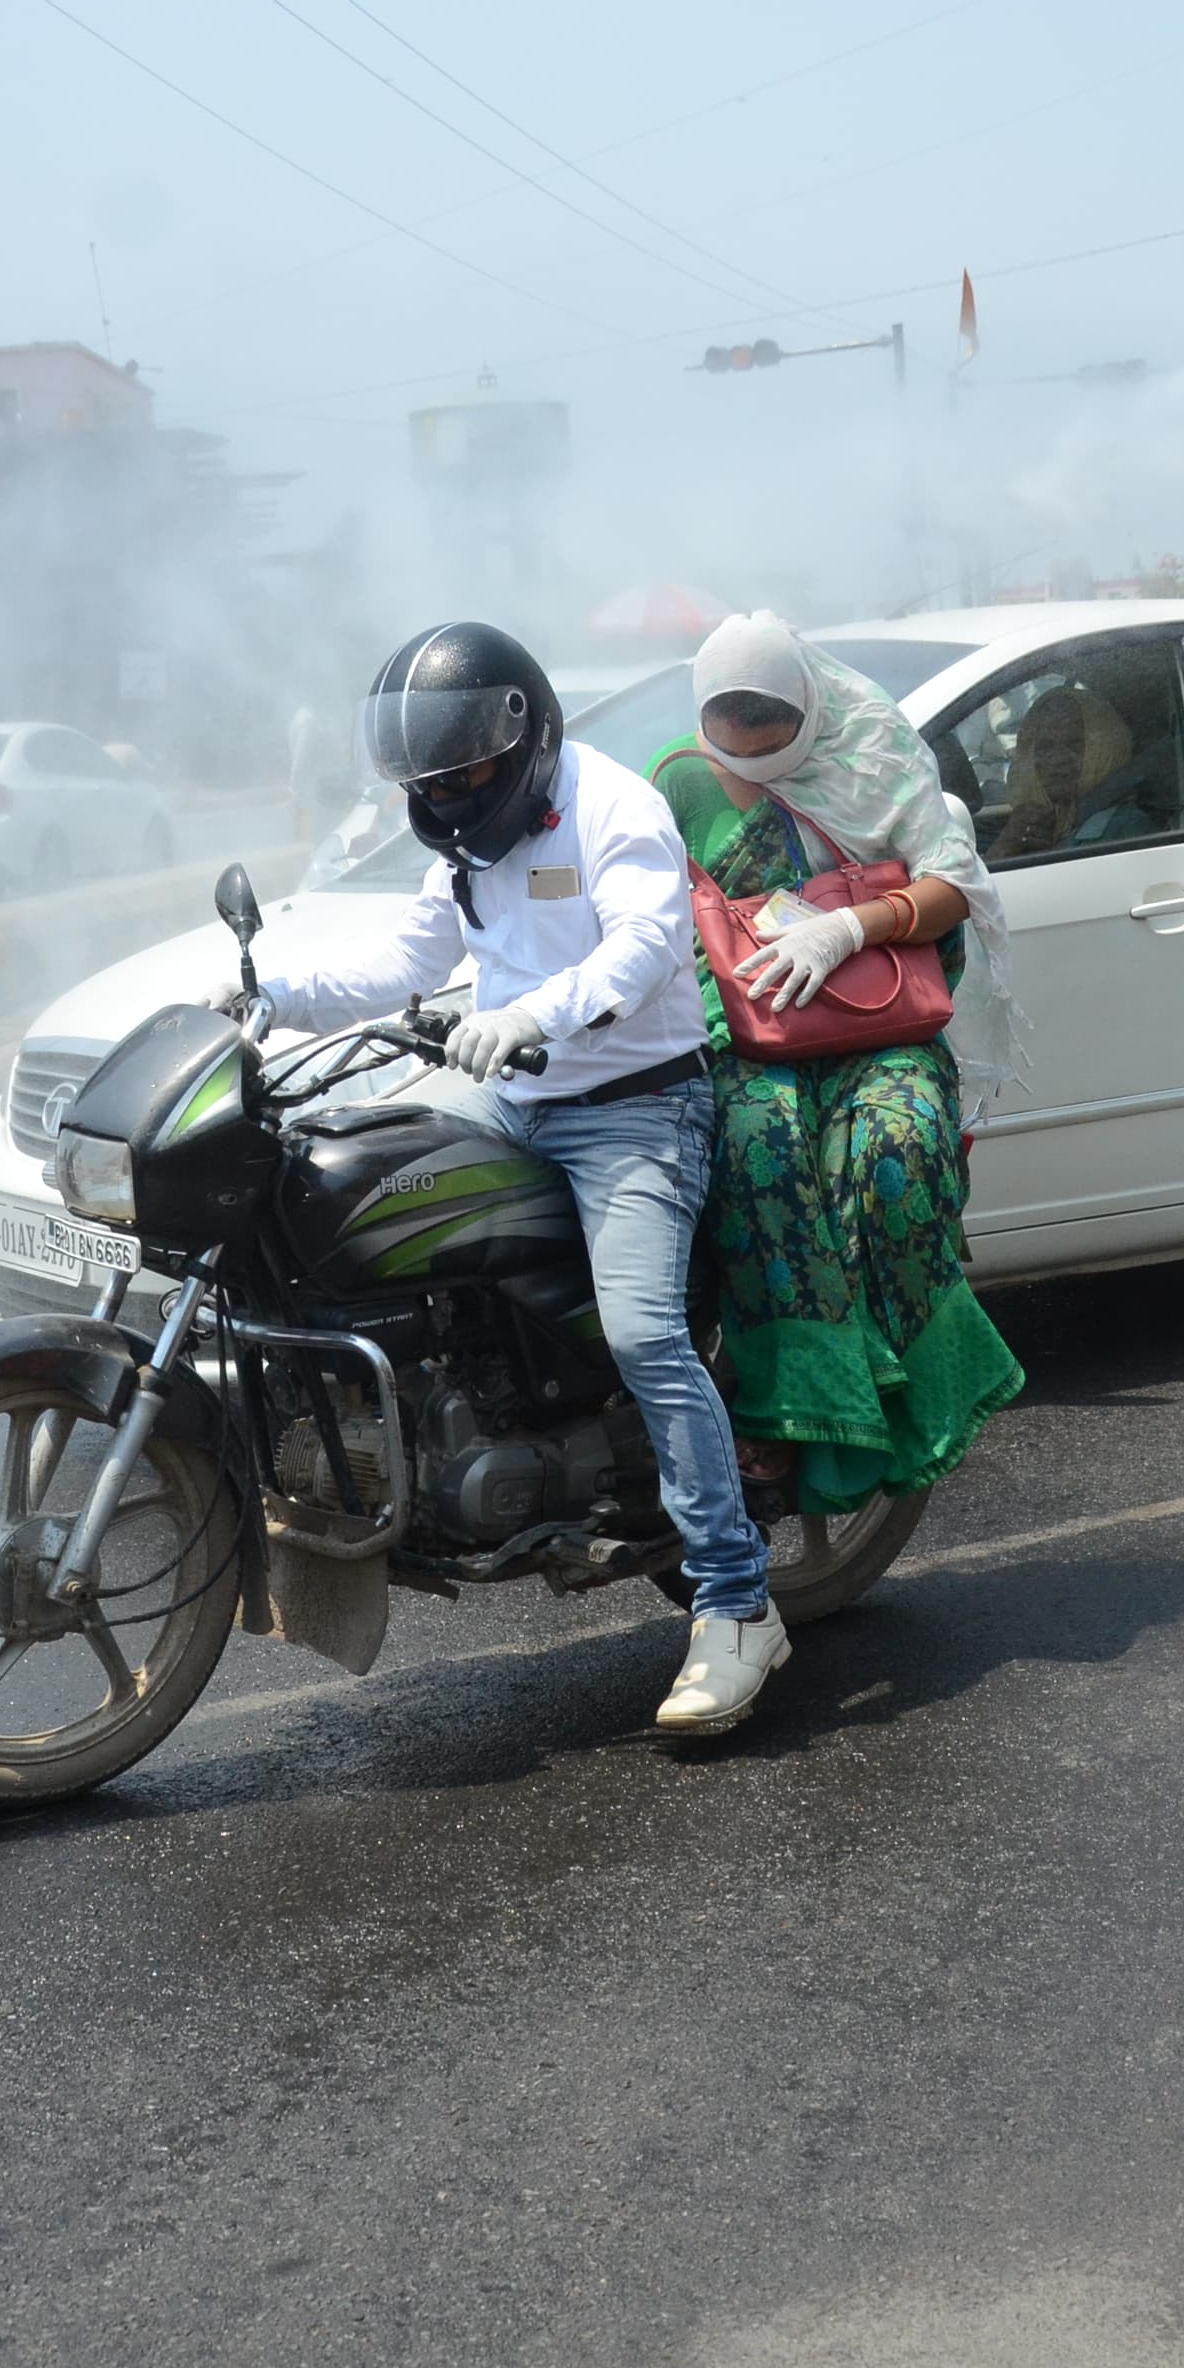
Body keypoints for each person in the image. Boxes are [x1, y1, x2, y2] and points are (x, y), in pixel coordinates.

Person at [230, 622, 785, 1735]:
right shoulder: (466, 841)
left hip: (637, 1110)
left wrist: (533, 1012)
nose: (443, 794)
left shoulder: (617, 809)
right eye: (426, 780)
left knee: (645, 1335)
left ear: (523, 738)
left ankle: (738, 1603)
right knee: (366, 1192)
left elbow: (642, 952)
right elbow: (409, 960)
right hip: (514, 1098)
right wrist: (272, 995)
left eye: (461, 773)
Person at [651, 611, 1027, 1518]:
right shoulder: (677, 782)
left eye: (773, 739)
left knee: (897, 1150)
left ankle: (904, 1389)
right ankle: (794, 1404)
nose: (754, 762)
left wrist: (851, 926)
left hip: (880, 1025)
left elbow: (955, 887)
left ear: (810, 707)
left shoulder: (873, 757)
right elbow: (645, 912)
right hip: (751, 1031)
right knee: (757, 1149)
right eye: (733, 743)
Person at [998, 686, 1158, 854]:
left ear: (1106, 750)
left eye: (1074, 744)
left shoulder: (1126, 828)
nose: (1058, 759)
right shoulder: (1044, 824)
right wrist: (1008, 844)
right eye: (1046, 746)